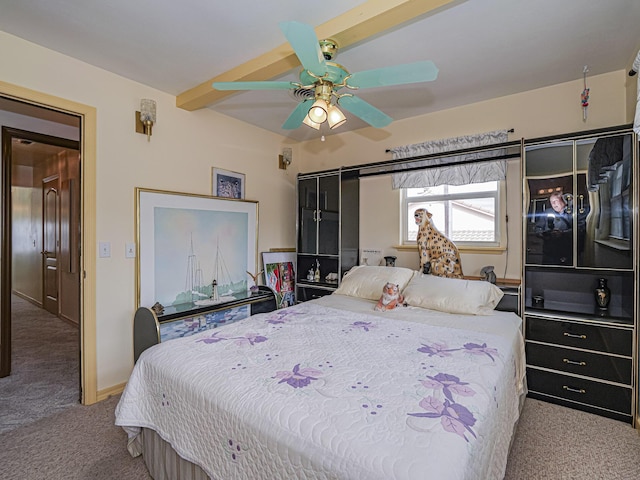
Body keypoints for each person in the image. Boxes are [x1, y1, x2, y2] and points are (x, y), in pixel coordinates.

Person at [535, 192, 573, 265]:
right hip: (549, 251)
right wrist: (542, 234)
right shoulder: (547, 212)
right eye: (551, 202)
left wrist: (562, 233)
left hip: (566, 251)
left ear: (563, 200)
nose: (553, 204)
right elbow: (538, 228)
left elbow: (579, 230)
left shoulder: (572, 213)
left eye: (555, 201)